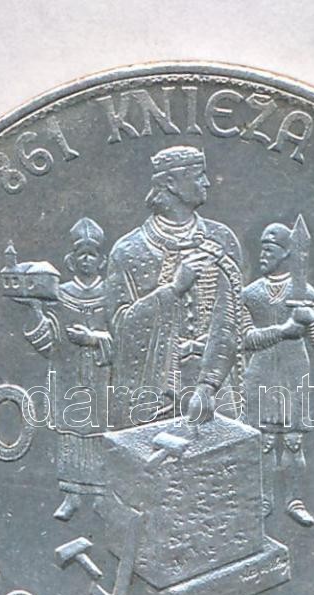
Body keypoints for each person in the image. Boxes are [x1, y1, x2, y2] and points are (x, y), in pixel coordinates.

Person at [105, 146, 244, 427]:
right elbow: (120, 330)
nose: (207, 182)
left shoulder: (222, 240)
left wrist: (208, 385)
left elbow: (231, 322)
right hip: (151, 396)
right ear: (171, 183)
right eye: (198, 175)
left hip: (216, 392)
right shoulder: (129, 251)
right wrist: (174, 289)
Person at [19, 217, 113, 521]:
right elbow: (49, 343)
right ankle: (71, 496)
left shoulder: (113, 295)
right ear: (71, 260)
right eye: (81, 254)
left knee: (101, 435)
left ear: (102, 260)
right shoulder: (58, 296)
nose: (86, 260)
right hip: (69, 378)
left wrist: (94, 339)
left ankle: (101, 497)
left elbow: (126, 338)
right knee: (70, 436)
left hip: (103, 379)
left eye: (92, 254)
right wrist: (35, 312)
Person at [242, 221, 314, 527]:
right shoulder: (250, 294)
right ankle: (264, 500)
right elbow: (245, 340)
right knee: (264, 442)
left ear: (286, 253)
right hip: (261, 373)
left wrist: (311, 321)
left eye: (269, 249)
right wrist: (283, 331)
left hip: (295, 373)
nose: (262, 255)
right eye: (261, 249)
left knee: (293, 442)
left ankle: (294, 501)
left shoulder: (305, 293)